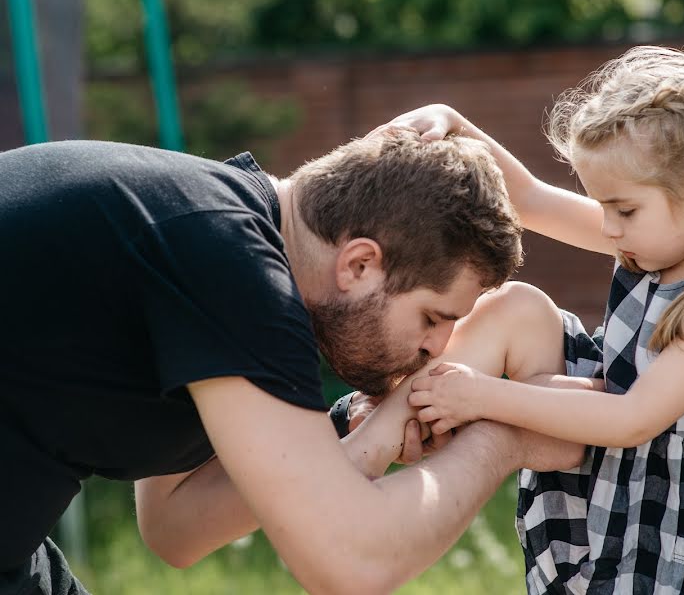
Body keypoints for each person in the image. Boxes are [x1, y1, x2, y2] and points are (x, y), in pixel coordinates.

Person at [0, 130, 586, 595]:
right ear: (359, 265)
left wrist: (369, 431)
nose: (436, 348)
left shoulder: (215, 229)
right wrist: (506, 437)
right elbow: (351, 565)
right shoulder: (227, 258)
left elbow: (176, 527)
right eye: (433, 318)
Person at [360, 46, 684, 593]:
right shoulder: (656, 243)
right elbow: (530, 200)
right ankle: (365, 446)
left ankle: (406, 432)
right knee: (515, 306)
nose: (608, 229)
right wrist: (452, 122)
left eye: (623, 210)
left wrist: (481, 396)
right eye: (603, 207)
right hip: (623, 495)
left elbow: (633, 419)